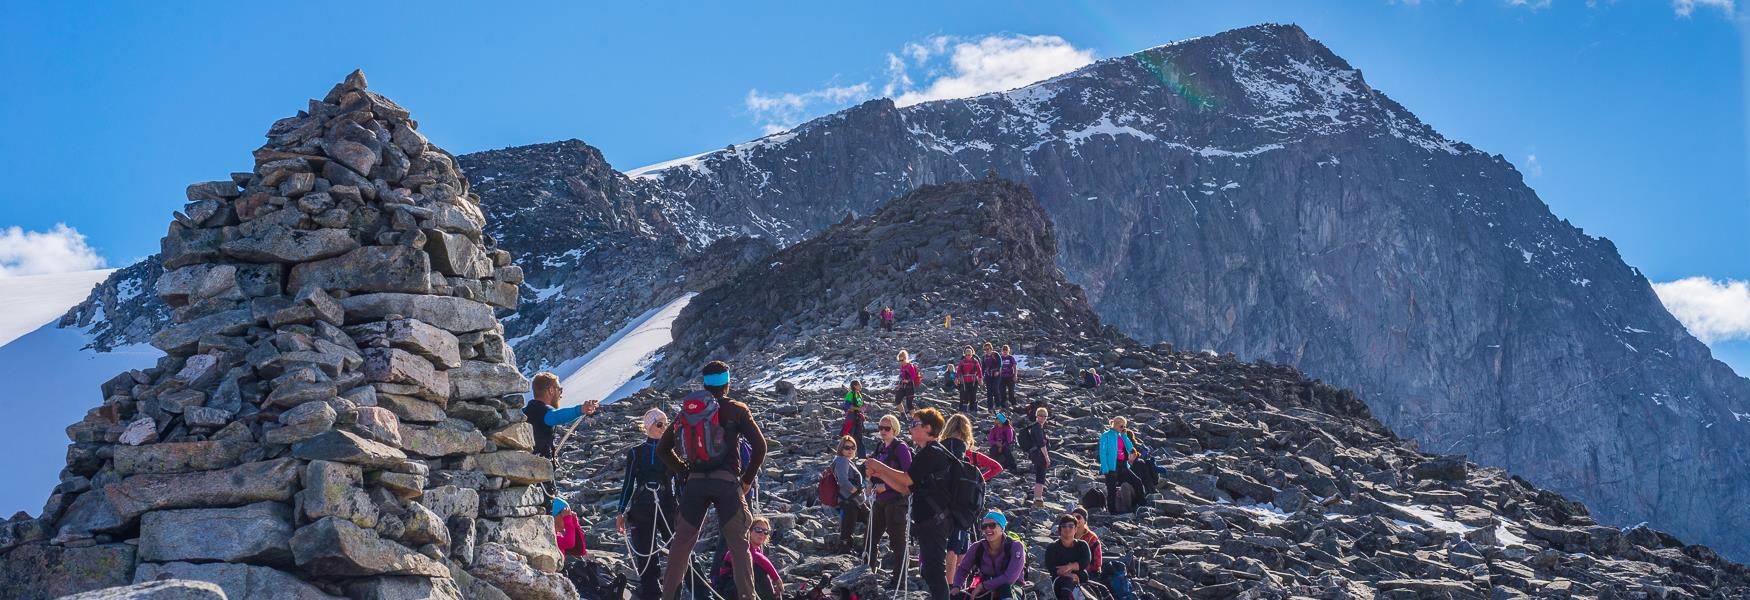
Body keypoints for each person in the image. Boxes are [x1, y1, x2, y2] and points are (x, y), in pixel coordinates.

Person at [657, 361, 768, 600]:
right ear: (727, 383)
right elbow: (760, 447)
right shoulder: (736, 409)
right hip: (727, 484)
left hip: (696, 485)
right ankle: (748, 596)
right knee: (739, 544)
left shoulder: (688, 412)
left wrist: (685, 471)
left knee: (682, 544)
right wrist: (747, 479)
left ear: (705, 383)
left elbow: (662, 449)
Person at [864, 408, 957, 600]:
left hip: (935, 519)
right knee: (930, 570)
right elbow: (907, 488)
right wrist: (881, 475)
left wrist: (879, 466)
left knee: (934, 570)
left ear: (928, 428)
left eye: (915, 424)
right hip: (928, 519)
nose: (911, 428)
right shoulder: (925, 451)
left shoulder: (932, 452)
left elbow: (906, 479)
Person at [618, 409, 677, 600]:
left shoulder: (672, 450)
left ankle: (680, 593)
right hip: (642, 508)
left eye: (666, 424)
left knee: (680, 551)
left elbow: (681, 480)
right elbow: (628, 483)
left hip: (668, 506)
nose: (664, 428)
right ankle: (653, 595)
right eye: (660, 424)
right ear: (648, 426)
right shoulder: (635, 453)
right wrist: (621, 511)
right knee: (645, 556)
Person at [941, 414, 1003, 582]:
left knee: (951, 547)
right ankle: (958, 586)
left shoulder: (942, 451)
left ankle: (950, 585)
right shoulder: (971, 455)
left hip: (945, 504)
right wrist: (980, 479)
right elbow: (997, 467)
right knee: (962, 546)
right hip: (968, 506)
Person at [866, 414, 913, 585]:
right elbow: (872, 467)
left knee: (897, 542)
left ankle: (899, 579)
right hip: (879, 500)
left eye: (887, 428)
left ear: (895, 430)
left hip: (896, 501)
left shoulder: (901, 448)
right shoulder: (880, 447)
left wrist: (886, 487)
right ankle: (867, 573)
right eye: (881, 428)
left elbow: (909, 477)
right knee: (870, 538)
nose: (883, 431)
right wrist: (869, 482)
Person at [950, 511, 1025, 600]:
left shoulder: (1016, 547)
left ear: (1002, 528)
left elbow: (1009, 579)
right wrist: (957, 586)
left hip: (1011, 588)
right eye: (984, 526)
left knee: (1005, 588)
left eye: (992, 525)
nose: (987, 529)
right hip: (985, 588)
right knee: (955, 596)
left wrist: (982, 586)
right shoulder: (977, 547)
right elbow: (963, 568)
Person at [524, 372, 600, 459]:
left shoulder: (523, 412)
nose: (561, 395)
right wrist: (580, 410)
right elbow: (557, 416)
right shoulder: (544, 412)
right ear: (551, 390)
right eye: (560, 390)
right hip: (539, 468)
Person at [713, 515, 784, 600]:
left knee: (758, 569)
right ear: (749, 531)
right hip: (728, 586)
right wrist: (777, 579)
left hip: (739, 586)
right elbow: (758, 558)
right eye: (758, 530)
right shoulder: (741, 547)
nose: (762, 533)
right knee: (755, 568)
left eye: (766, 532)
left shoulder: (756, 549)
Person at [1098, 417, 1148, 514]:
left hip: (1123, 465)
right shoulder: (1106, 435)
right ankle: (1112, 511)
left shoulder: (1121, 436)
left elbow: (1130, 447)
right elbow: (1102, 452)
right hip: (1111, 465)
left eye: (1124, 426)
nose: (1123, 428)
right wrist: (1105, 468)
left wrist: (1124, 436)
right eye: (1121, 426)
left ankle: (1142, 504)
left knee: (1137, 481)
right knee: (1111, 489)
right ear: (1115, 425)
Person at [1044, 514, 1095, 600]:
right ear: (1060, 529)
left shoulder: (1082, 545)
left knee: (1101, 589)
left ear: (1075, 529)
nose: (1067, 528)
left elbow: (1085, 562)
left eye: (1071, 526)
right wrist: (1070, 575)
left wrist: (1069, 566)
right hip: (1060, 582)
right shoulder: (1052, 547)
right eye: (1064, 526)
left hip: (1082, 580)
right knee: (1068, 584)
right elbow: (1052, 569)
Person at [831, 436, 867, 552]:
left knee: (869, 520)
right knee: (848, 528)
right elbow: (842, 481)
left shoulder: (844, 461)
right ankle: (845, 552)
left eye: (853, 447)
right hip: (849, 501)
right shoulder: (842, 460)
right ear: (841, 448)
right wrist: (856, 491)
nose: (850, 450)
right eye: (847, 447)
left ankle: (865, 546)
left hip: (853, 500)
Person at [1021, 408, 1052, 507]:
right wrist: (1047, 458)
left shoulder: (1036, 427)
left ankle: (1037, 498)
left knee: (1040, 476)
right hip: (1039, 455)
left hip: (1036, 454)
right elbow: (1041, 444)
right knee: (1040, 476)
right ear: (1036, 416)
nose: (1042, 417)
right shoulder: (1037, 428)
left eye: (1044, 416)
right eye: (1040, 415)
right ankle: (1038, 499)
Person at [1069, 508, 1103, 577]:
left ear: (1085, 521)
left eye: (1078, 517)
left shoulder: (1092, 538)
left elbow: (1097, 563)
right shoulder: (1069, 534)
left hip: (1090, 573)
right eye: (1073, 518)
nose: (1075, 520)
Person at [843, 381, 869, 458]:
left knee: (858, 438)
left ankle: (862, 457)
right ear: (855, 385)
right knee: (849, 437)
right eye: (859, 384)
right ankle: (845, 455)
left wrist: (862, 409)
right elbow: (846, 405)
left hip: (858, 418)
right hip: (851, 418)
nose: (861, 386)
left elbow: (860, 405)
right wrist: (858, 409)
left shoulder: (858, 394)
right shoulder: (850, 394)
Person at [956, 348, 983, 413]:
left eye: (969, 355)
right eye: (966, 355)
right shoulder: (962, 362)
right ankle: (965, 410)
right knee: (965, 395)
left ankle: (974, 409)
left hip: (973, 381)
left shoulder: (975, 361)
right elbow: (958, 370)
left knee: (973, 394)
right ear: (964, 355)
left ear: (972, 354)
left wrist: (980, 378)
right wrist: (956, 378)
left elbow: (979, 370)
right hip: (965, 381)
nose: (968, 356)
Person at [980, 343, 1002, 412]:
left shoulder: (995, 354)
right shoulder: (984, 357)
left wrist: (998, 371)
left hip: (996, 375)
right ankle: (990, 407)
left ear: (991, 348)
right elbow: (983, 367)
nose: (986, 350)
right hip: (988, 375)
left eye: (987, 349)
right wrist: (981, 376)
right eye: (985, 349)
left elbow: (1000, 363)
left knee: (995, 389)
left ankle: (998, 405)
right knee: (989, 391)